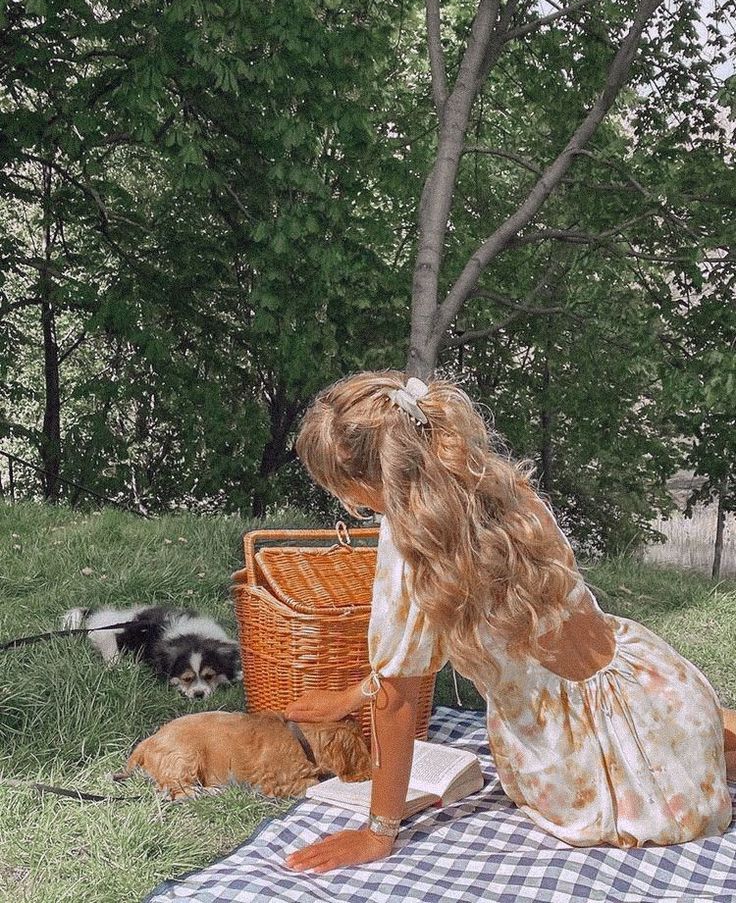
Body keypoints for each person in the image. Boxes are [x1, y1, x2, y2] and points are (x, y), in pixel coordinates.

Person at [283, 371, 735, 874]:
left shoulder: (412, 550)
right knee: (712, 744)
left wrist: (378, 832)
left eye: (344, 491)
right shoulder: (500, 484)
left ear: (367, 483)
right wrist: (354, 695)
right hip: (660, 697)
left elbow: (399, 698)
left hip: (584, 760)